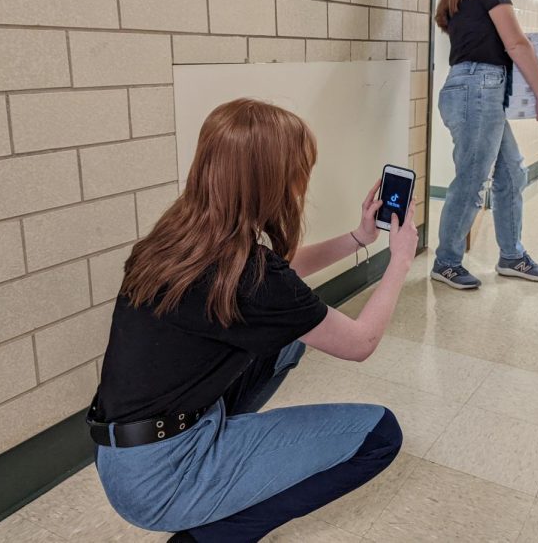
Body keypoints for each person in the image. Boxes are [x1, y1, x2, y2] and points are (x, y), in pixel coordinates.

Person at [86, 98, 419, 542]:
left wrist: (359, 238)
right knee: (380, 434)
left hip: (125, 457)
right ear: (273, 181)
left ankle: (222, 469)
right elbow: (359, 343)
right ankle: (209, 536)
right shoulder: (248, 274)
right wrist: (399, 260)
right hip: (162, 477)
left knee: (287, 339)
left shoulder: (177, 238)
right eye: (300, 170)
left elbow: (278, 282)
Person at [431, 0, 538, 290]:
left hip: (470, 87)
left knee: (511, 172)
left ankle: (511, 255)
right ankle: (447, 261)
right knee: (472, 179)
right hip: (478, 88)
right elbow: (516, 42)